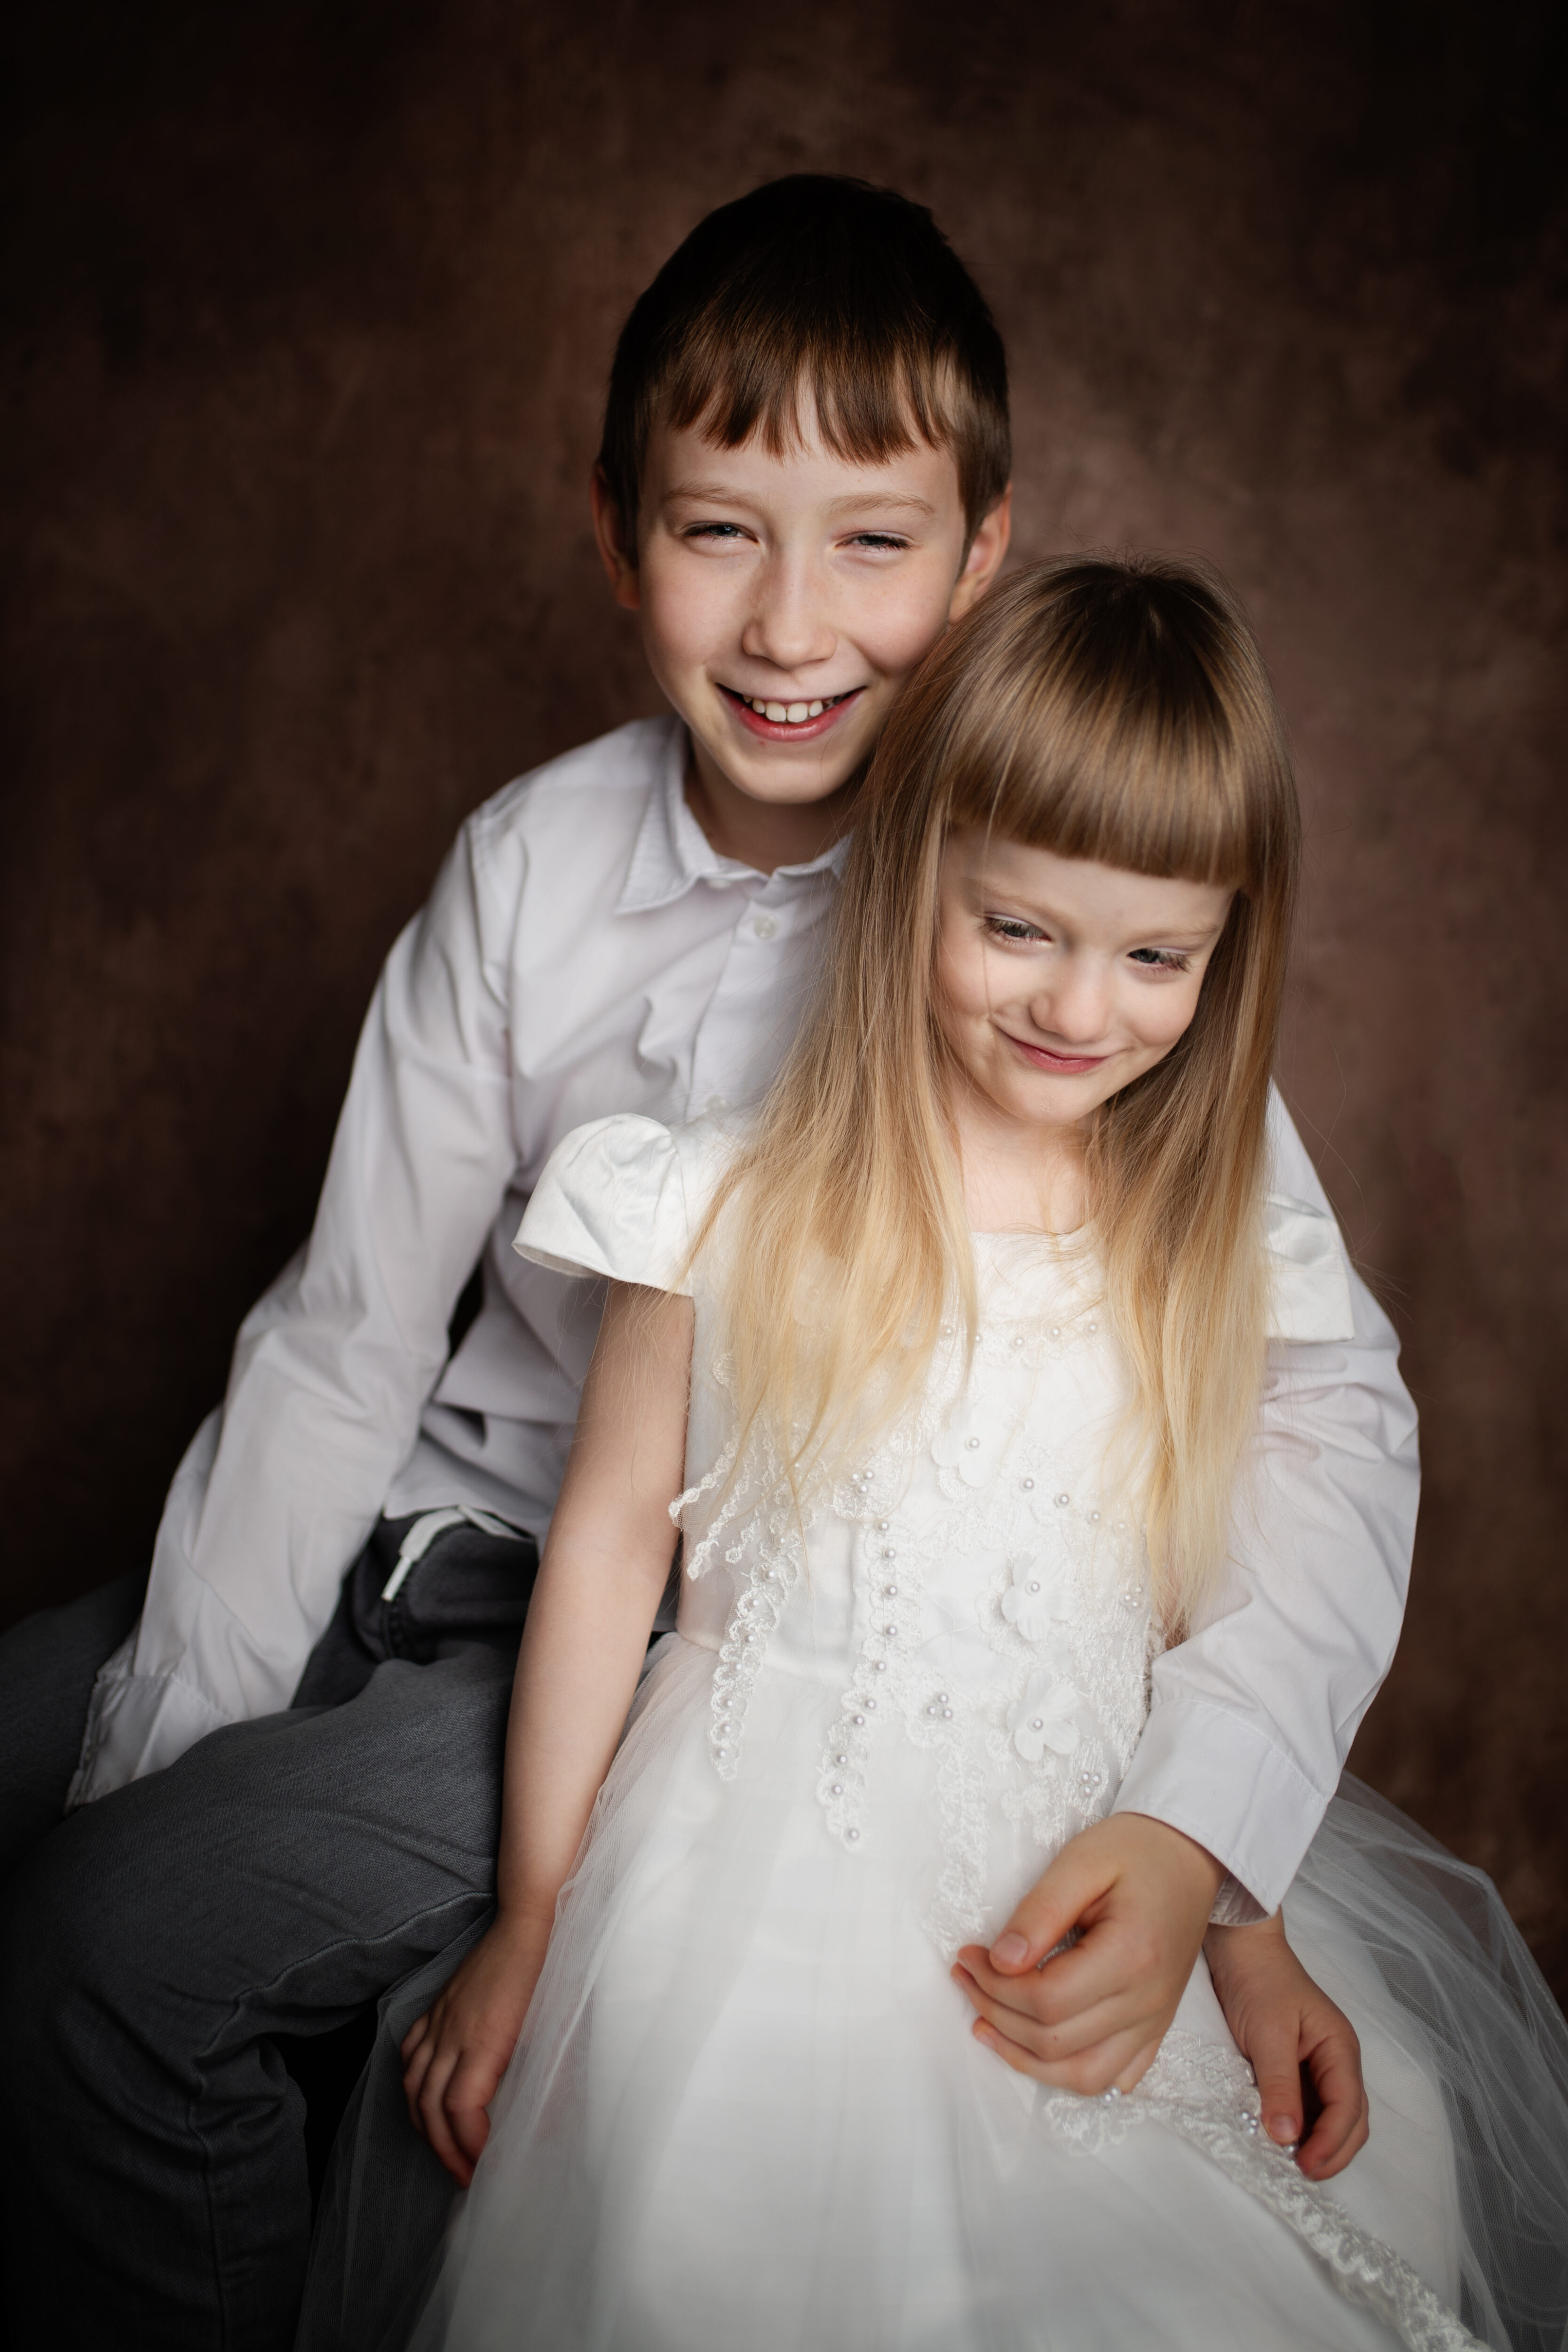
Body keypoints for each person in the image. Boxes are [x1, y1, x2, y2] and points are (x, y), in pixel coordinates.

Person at [0, 182, 1411, 2352]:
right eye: (721, 530)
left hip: (659, 1624)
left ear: (981, 555)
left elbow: (1291, 1394)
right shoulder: (531, 863)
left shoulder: (1032, 923)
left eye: (872, 540)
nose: (788, 624)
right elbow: (346, 1334)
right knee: (67, 1756)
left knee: (113, 1947)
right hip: (420, 1520)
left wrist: (1217, 1847)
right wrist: (173, 1720)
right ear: (616, 531)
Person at [402, 557, 1568, 2352]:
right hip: (760, 1890)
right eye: (1018, 929)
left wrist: (1241, 1926)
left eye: (1156, 957)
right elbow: (613, 1545)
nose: (1080, 1012)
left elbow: (1176, 1599)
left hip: (1080, 1870)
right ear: (911, 870)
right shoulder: (716, 1201)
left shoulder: (1197, 1242)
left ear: (1229, 950)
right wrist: (533, 1920)